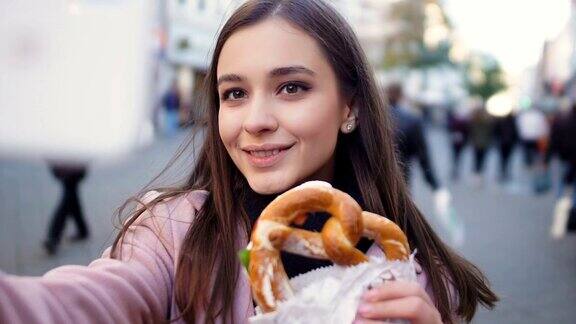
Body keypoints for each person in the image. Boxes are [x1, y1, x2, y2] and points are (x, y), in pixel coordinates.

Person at [0, 1, 497, 323]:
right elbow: (79, 305)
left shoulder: (420, 279)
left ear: (350, 107)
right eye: (234, 93)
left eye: (291, 87)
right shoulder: (172, 236)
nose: (255, 120)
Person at [386, 83, 440, 191]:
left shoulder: (369, 118)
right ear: (401, 95)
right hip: (401, 179)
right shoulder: (412, 119)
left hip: (368, 183)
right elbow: (423, 155)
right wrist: (434, 184)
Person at [43, 163, 90, 255]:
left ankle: (53, 237)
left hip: (72, 167)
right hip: (69, 167)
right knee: (71, 197)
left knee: (67, 199)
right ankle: (83, 230)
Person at [468, 102, 494, 184]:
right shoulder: (487, 121)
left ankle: (477, 174)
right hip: (483, 143)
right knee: (481, 159)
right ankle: (479, 174)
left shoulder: (475, 120)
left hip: (478, 142)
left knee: (477, 159)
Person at [447, 104, 471, 181]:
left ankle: (456, 169)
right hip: (456, 140)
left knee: (458, 156)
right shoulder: (454, 120)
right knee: (455, 156)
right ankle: (455, 169)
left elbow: (466, 131)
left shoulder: (464, 121)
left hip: (460, 141)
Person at [493, 112, 518, 182]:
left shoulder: (501, 122)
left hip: (503, 143)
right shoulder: (513, 123)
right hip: (508, 143)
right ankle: (505, 171)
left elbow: (496, 132)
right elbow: (516, 134)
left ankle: (503, 171)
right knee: (507, 158)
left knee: (502, 158)